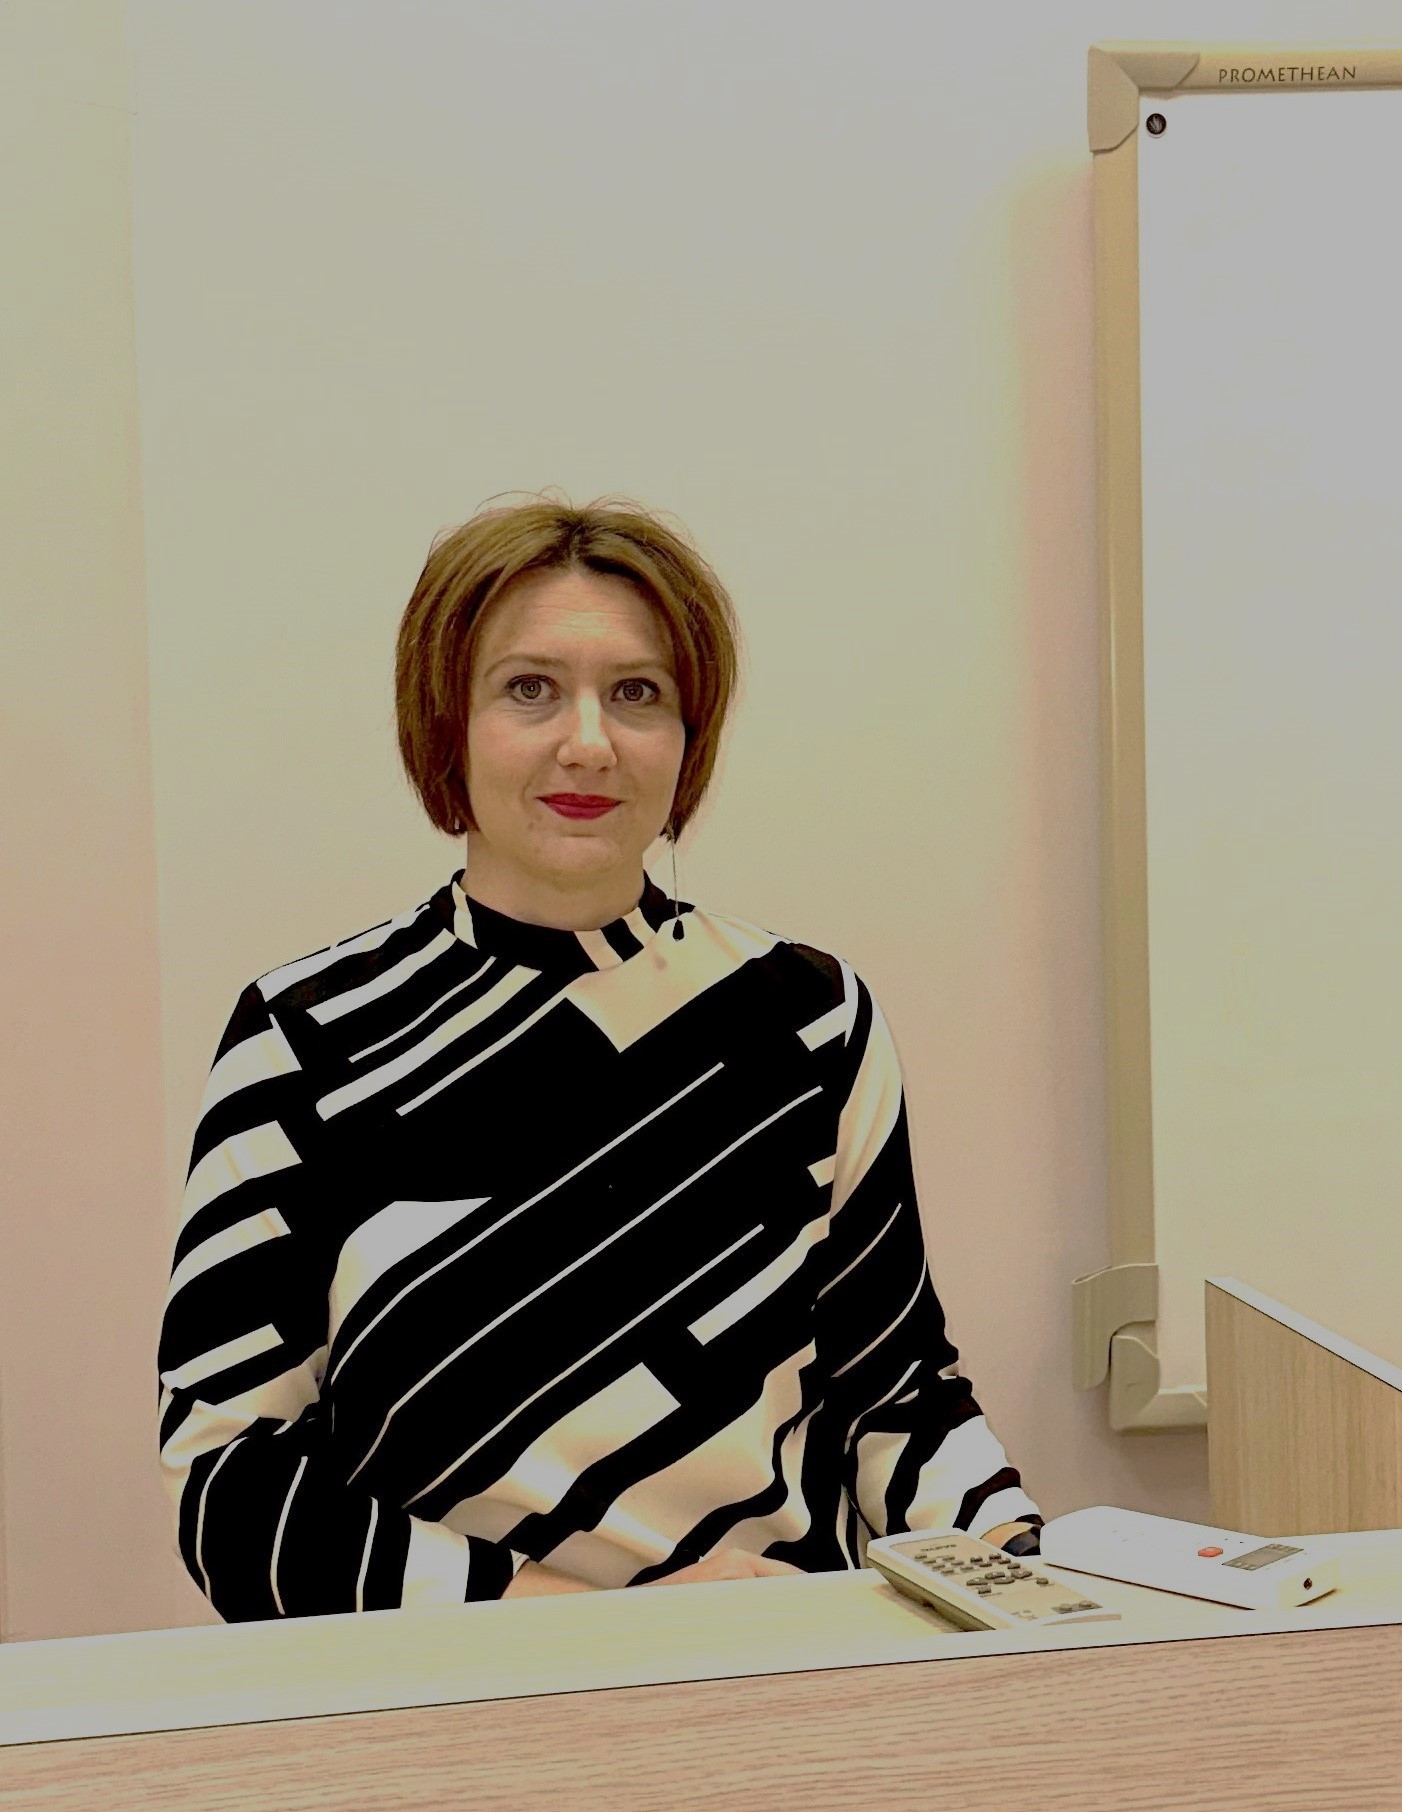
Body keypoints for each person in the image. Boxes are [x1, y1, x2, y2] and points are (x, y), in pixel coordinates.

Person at [156, 490, 1043, 1621]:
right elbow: (230, 1485)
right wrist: (582, 1623)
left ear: (689, 737)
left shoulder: (810, 1019)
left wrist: (1025, 1571)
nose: (589, 743)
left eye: (638, 694)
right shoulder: (307, 1036)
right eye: (529, 688)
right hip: (445, 1697)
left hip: (774, 1680)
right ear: (446, 723)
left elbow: (895, 1395)